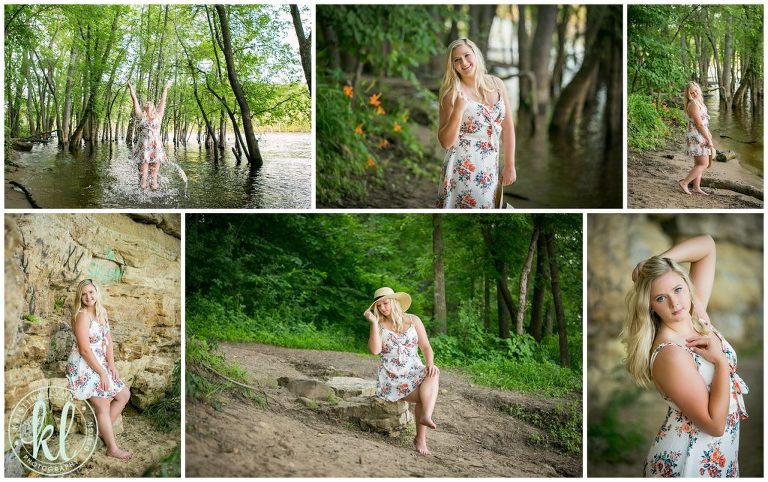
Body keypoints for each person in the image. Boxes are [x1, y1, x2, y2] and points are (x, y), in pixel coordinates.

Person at [623, 235, 748, 477]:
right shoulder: (670, 353)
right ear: (651, 307)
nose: (675, 303)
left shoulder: (696, 316)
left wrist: (658, 262)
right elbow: (714, 425)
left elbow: (707, 246)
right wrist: (720, 362)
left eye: (678, 289)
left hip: (719, 456)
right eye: (661, 298)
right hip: (690, 462)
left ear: (685, 284)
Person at [437, 38, 516, 209]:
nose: (463, 62)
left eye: (466, 55)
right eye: (456, 60)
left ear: (475, 54)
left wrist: (509, 165)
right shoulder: (451, 94)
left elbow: (508, 127)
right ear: (452, 65)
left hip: (490, 166)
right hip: (463, 167)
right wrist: (458, 110)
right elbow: (445, 142)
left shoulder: (497, 84)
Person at [364, 287, 440, 455]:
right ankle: (421, 435)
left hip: (413, 371)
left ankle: (425, 418)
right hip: (392, 377)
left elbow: (426, 347)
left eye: (385, 303)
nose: (383, 308)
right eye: (379, 306)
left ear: (394, 302)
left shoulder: (413, 320)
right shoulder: (379, 325)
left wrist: (430, 363)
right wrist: (374, 323)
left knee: (433, 372)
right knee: (424, 395)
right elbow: (375, 350)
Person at [65, 279, 133, 460]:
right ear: (80, 297)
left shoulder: (102, 312)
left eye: (91, 292)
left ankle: (104, 430)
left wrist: (111, 365)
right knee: (103, 402)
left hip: (101, 362)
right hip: (83, 363)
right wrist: (102, 372)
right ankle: (112, 448)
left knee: (124, 394)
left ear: (97, 292)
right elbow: (84, 350)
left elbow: (108, 341)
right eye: (84, 294)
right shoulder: (82, 316)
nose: (88, 297)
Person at [127, 81, 172, 190]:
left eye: (150, 103)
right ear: (144, 106)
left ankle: (154, 199)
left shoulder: (158, 115)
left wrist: (165, 88)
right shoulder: (140, 115)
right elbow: (135, 100)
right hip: (143, 148)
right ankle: (141, 198)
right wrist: (131, 87)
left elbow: (163, 101)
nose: (148, 103)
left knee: (154, 176)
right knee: (143, 176)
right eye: (146, 103)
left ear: (154, 107)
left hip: (156, 148)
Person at [680, 82, 714, 196]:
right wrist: (708, 139)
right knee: (703, 164)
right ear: (688, 94)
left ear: (699, 89)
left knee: (699, 163)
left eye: (696, 90)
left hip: (701, 134)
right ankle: (685, 183)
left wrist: (709, 134)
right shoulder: (693, 104)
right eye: (691, 92)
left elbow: (704, 122)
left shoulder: (699, 102)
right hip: (697, 136)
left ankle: (696, 187)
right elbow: (699, 125)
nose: (694, 93)